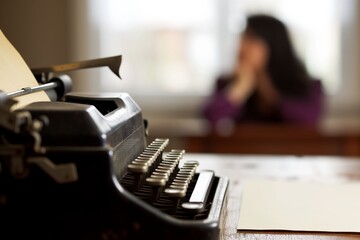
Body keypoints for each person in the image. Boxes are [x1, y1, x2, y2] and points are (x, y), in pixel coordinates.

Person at [202, 14, 324, 128]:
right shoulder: (227, 84)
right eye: (242, 38)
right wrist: (240, 89)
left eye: (251, 39)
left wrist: (265, 87)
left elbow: (308, 120)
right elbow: (210, 117)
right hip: (243, 149)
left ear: (274, 45)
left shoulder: (307, 85)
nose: (241, 46)